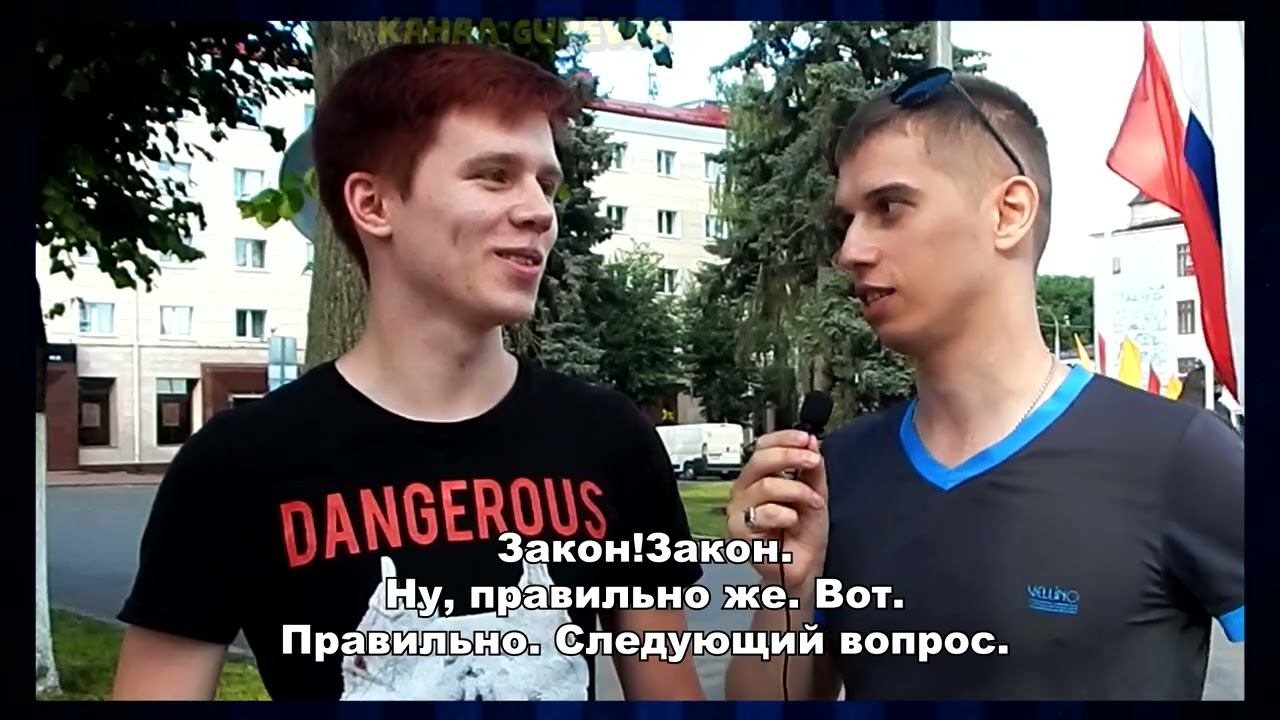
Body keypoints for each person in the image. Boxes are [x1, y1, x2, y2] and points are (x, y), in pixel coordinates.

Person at [112, 43, 704, 701]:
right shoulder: (237, 465)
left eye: (546, 183)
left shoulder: (607, 438)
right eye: (494, 175)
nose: (539, 211)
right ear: (373, 205)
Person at [723, 68, 1244, 701]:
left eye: (889, 208)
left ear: (1009, 212)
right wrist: (786, 593)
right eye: (848, 222)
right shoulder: (838, 474)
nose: (851, 251)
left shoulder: (1180, 456)